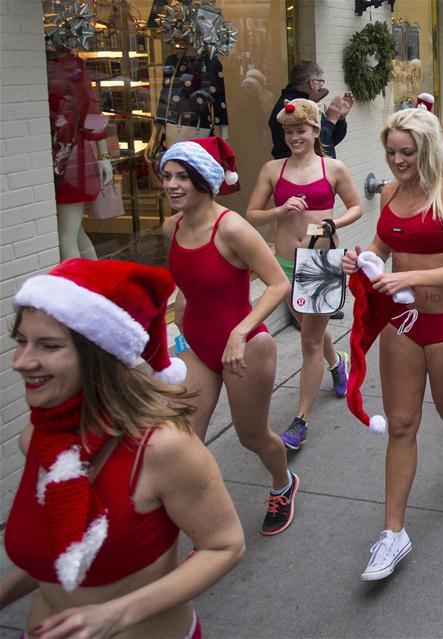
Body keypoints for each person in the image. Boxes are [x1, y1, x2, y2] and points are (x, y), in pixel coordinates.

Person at [2, 258, 244, 638]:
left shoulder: (164, 447)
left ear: (98, 354)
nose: (21, 361)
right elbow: (53, 558)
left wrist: (116, 614)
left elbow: (224, 546)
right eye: (21, 342)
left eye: (47, 345)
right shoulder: (36, 439)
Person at [342, 108, 443, 581]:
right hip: (402, 324)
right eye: (391, 152)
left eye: (407, 152)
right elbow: (383, 248)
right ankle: (393, 534)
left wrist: (407, 274)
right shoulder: (389, 193)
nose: (398, 160)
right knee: (402, 424)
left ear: (425, 149)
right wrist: (361, 259)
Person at [160, 138, 298, 536]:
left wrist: (239, 332)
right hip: (197, 347)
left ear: (204, 180)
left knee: (251, 436)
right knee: (185, 441)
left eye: (182, 177)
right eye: (167, 176)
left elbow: (277, 284)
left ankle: (283, 484)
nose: (172, 184)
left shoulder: (232, 227)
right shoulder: (173, 226)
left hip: (246, 346)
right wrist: (178, 317)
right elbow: (187, 282)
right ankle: (203, 522)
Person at [247, 98, 362, 449]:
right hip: (282, 263)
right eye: (289, 131)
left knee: (309, 339)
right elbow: (252, 214)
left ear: (315, 131)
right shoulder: (272, 169)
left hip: (319, 261)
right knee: (311, 327)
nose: (294, 137)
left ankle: (301, 420)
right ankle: (337, 362)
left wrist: (333, 222)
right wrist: (280, 209)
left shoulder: (333, 169)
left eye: (300, 131)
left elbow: (356, 207)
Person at [269, 60, 354, 159]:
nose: (323, 87)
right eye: (321, 82)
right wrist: (330, 121)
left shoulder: (307, 103)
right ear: (312, 83)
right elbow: (316, 144)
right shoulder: (292, 107)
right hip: (300, 171)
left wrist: (340, 118)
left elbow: (330, 141)